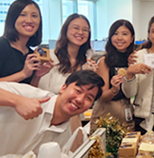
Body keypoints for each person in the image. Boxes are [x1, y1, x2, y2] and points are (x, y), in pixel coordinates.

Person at [0, 70, 104, 156]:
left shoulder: (66, 135)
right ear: (63, 88)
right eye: (78, 91)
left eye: (88, 98)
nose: (80, 99)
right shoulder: (31, 95)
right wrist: (17, 101)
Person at [37, 13, 97, 151]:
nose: (80, 32)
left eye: (85, 30)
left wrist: (90, 76)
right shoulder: (51, 56)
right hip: (50, 119)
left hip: (74, 118)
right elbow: (42, 92)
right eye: (76, 28)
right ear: (65, 30)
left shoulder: (85, 62)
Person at [90, 20, 135, 131]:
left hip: (127, 110)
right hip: (107, 112)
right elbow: (102, 96)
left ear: (132, 38)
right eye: (115, 34)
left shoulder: (134, 59)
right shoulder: (105, 61)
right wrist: (114, 89)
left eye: (124, 34)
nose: (119, 38)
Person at [0, 0, 52, 85]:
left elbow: (29, 90)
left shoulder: (32, 54)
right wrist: (23, 74)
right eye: (23, 15)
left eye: (34, 16)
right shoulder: (2, 46)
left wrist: (37, 76)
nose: (29, 20)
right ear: (12, 19)